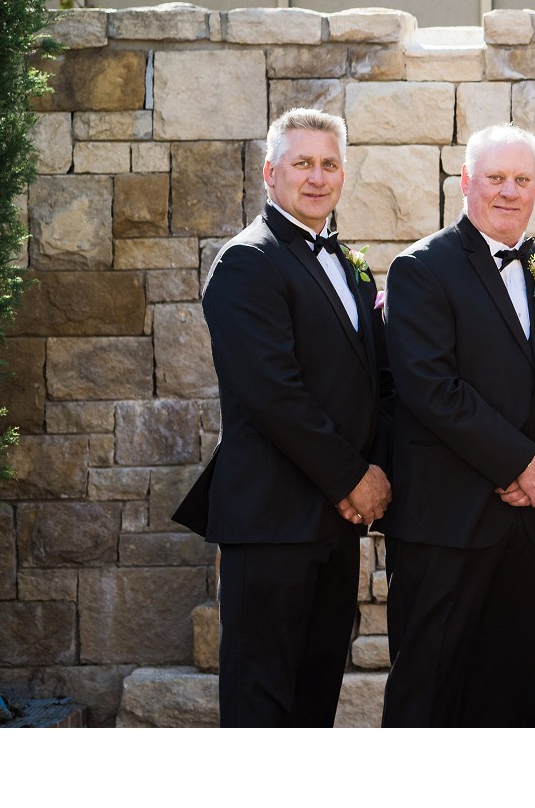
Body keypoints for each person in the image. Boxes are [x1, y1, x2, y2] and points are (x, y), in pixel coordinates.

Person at [173, 107, 390, 726]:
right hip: (271, 522)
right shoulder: (247, 261)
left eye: (329, 164)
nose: (317, 177)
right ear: (270, 173)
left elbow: (374, 383)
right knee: (261, 707)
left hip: (335, 524)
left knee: (315, 702)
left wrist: (375, 469)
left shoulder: (348, 262)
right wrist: (354, 479)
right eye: (302, 163)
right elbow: (274, 394)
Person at [379, 124, 535, 727]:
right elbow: (431, 388)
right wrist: (522, 463)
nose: (509, 191)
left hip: (522, 522)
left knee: (511, 693)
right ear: (465, 182)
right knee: (429, 692)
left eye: (522, 179)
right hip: (444, 521)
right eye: (495, 178)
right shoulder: (422, 268)